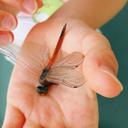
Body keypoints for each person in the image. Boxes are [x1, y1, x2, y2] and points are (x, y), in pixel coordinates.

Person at [1, 0, 127, 127]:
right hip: (26, 42)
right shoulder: (49, 75)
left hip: (72, 31)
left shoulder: (49, 76)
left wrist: (74, 16)